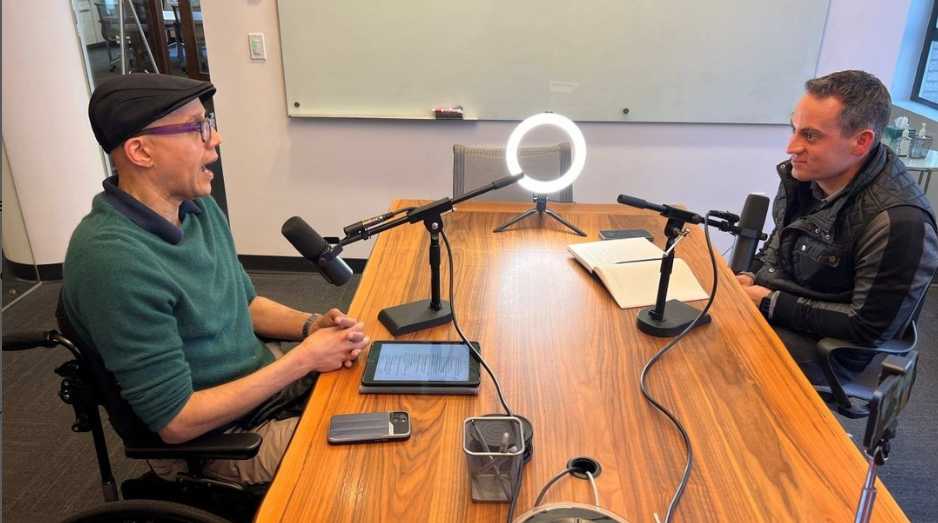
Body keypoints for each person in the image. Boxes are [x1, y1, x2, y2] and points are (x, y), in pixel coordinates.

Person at [63, 73, 371, 485]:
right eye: (198, 128)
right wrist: (305, 358)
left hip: (263, 387)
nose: (216, 138)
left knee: (382, 393)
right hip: (220, 441)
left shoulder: (195, 207)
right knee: (374, 452)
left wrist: (310, 326)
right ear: (140, 151)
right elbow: (176, 422)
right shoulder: (113, 261)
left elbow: (242, 302)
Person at [736, 70, 937, 385]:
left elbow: (868, 328)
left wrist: (770, 302)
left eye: (810, 136)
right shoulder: (806, 178)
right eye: (794, 130)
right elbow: (781, 244)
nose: (792, 147)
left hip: (834, 351)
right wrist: (751, 274)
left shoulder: (900, 222)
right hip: (787, 312)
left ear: (861, 142)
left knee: (716, 355)